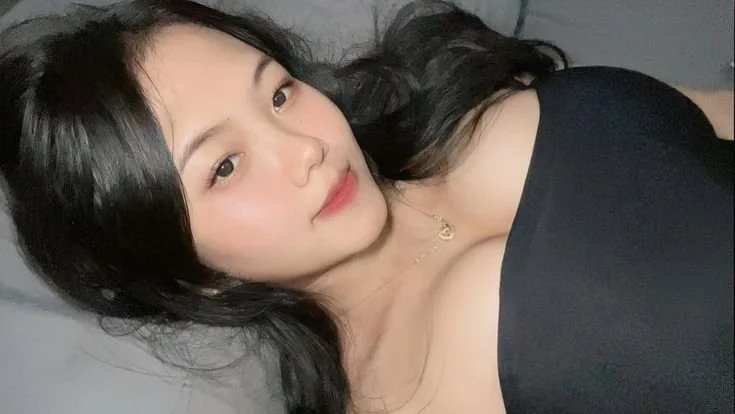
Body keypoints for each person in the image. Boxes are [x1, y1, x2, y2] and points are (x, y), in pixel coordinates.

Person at [0, 1, 732, 413]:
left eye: (278, 92)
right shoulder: (407, 397)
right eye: (223, 166)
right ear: (193, 276)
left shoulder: (457, 95)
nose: (305, 148)